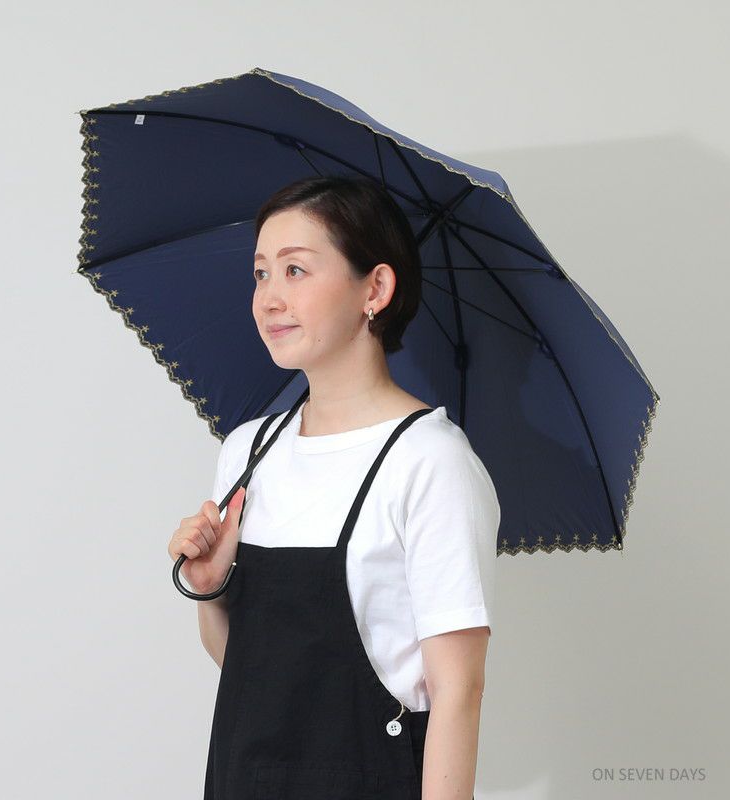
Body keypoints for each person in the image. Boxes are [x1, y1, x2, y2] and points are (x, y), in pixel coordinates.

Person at [168, 175, 500, 799]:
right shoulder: (248, 451)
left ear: (375, 288)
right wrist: (210, 592)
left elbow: (459, 691)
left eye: (295, 270)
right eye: (261, 273)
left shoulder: (428, 460)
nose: (268, 299)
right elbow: (248, 672)